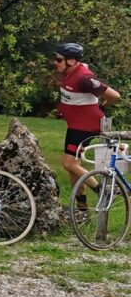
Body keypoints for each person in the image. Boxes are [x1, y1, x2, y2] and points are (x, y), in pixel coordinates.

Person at [53, 42, 121, 207]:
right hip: (75, 125)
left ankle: (104, 191)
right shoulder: (71, 70)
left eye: (59, 59)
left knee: (69, 164)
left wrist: (103, 105)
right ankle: (82, 209)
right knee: (73, 169)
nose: (55, 62)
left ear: (71, 61)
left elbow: (115, 96)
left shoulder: (84, 80)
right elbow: (83, 66)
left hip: (85, 127)